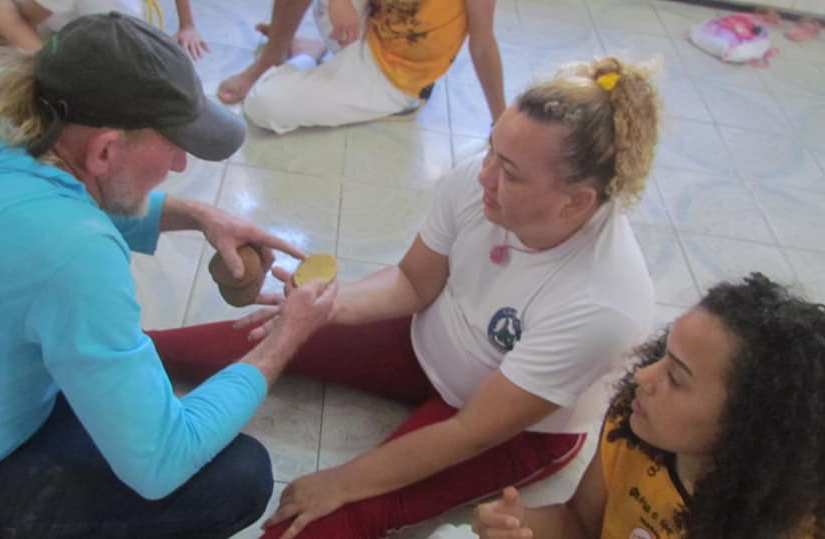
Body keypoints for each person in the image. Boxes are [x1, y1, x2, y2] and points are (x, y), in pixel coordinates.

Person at [0, 13, 338, 539]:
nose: (180, 164)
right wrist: (286, 336)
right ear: (105, 150)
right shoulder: (73, 252)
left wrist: (197, 215)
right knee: (237, 476)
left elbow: (45, 204)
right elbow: (160, 462)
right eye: (172, 142)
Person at [146, 56, 661, 538]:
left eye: (510, 173)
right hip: (428, 337)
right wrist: (326, 309)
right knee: (274, 330)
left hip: (509, 429)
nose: (483, 174)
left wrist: (344, 481)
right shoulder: (479, 180)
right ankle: (133, 351)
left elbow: (471, 431)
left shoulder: (604, 303)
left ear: (576, 202)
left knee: (315, 519)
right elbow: (415, 281)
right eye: (491, 149)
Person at [471, 273, 825, 539]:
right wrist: (519, 524)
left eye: (676, 379)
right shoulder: (635, 424)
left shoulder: (782, 524)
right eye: (663, 355)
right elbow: (580, 522)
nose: (643, 376)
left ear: (746, 425)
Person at [216, 0, 505, 134]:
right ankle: (271, 57)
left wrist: (501, 121)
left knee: (263, 106)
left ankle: (309, 55)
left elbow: (482, 45)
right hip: (364, 29)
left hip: (395, 79)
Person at [0, 0, 209, 59]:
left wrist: (188, 25)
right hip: (114, 28)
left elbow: (30, 16)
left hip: (110, 29)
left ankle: (46, 65)